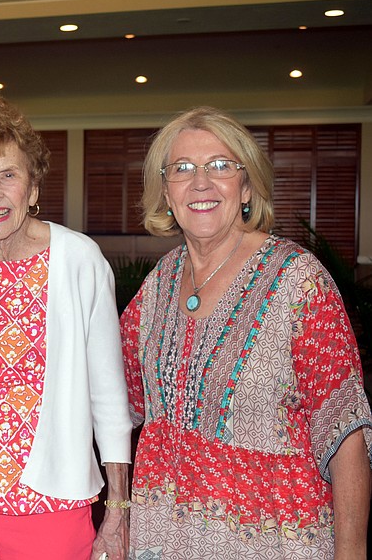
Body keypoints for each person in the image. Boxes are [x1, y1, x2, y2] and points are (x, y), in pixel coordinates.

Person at [121, 106, 372, 559]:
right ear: (166, 192)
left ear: (247, 187)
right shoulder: (158, 283)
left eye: (220, 166)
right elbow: (114, 396)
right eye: (182, 169)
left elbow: (346, 432)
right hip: (163, 538)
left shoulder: (299, 280)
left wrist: (352, 552)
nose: (200, 182)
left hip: (273, 540)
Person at [0, 89, 132, 560]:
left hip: (52, 501)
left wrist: (117, 507)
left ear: (32, 188)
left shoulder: (79, 259)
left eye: (7, 175)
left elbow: (109, 394)